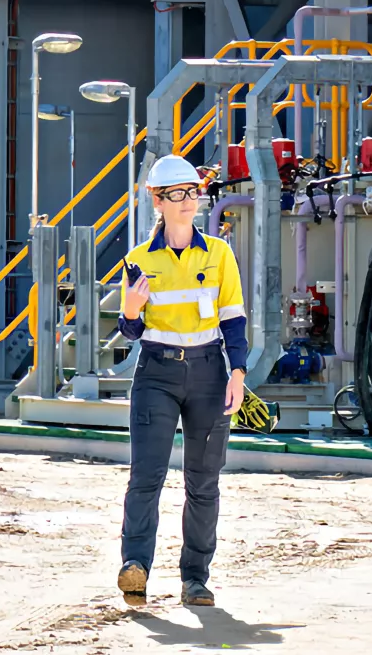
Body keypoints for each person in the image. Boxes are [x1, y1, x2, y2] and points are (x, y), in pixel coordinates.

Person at [114, 154, 249, 608]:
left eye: (193, 193)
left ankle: (195, 579)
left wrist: (238, 373)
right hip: (157, 372)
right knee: (146, 477)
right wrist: (130, 312)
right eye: (178, 195)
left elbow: (233, 319)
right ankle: (135, 566)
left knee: (204, 481)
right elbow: (131, 331)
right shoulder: (137, 260)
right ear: (158, 200)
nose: (189, 202)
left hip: (211, 372)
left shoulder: (219, 254)